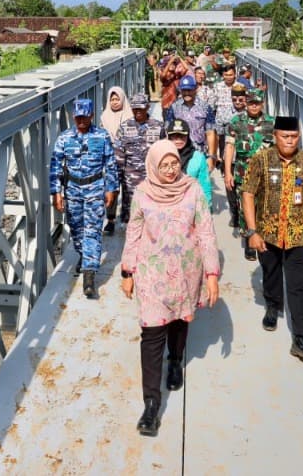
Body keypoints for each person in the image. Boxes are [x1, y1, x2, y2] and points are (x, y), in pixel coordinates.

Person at [120, 140, 221, 436]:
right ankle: (151, 404)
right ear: (153, 165)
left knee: (179, 321)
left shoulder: (192, 190)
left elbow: (205, 231)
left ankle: (175, 360)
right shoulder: (142, 193)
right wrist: (127, 271)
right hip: (151, 274)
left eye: (174, 164)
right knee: (151, 334)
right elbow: (134, 233)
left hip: (186, 272)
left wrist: (212, 274)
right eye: (163, 165)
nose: (169, 170)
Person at [241, 116, 303, 362]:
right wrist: (252, 231)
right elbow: (248, 193)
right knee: (270, 274)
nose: (290, 141)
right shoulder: (261, 160)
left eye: (294, 137)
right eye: (285, 137)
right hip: (267, 232)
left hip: (298, 234)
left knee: (297, 285)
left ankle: (300, 338)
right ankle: (272, 305)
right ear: (275, 136)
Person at [49, 98, 119, 299]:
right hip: (73, 190)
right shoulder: (64, 138)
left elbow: (110, 163)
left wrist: (111, 189)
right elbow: (55, 166)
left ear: (91, 115)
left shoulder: (102, 136)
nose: (81, 120)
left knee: (92, 230)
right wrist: (56, 193)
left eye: (84, 116)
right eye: (78, 117)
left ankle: (89, 275)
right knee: (77, 229)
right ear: (73, 116)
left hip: (95, 188)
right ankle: (84, 254)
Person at [224, 88, 274, 259]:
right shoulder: (236, 122)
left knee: (263, 206)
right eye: (251, 102)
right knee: (245, 208)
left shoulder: (271, 122)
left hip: (265, 173)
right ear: (246, 102)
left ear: (262, 103)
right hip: (242, 171)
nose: (254, 106)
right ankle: (249, 242)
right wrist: (228, 172)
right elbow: (229, 146)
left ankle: (262, 236)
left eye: (257, 103)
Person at [114, 93, 166, 225]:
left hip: (152, 182)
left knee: (152, 219)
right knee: (132, 220)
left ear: (148, 107)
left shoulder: (158, 126)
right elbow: (118, 157)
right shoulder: (124, 127)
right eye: (134, 108)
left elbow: (164, 153)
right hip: (130, 183)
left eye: (141, 108)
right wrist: (116, 184)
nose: (137, 111)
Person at [164, 75, 216, 170]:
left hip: (199, 153)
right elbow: (167, 132)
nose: (187, 93)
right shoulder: (173, 107)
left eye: (189, 90)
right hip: (179, 154)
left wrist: (211, 157)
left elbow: (210, 133)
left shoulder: (206, 108)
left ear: (195, 89)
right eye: (184, 90)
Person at [101, 86, 133, 234]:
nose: (114, 102)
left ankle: (126, 219)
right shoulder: (104, 116)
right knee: (111, 188)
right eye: (112, 99)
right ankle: (111, 220)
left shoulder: (129, 115)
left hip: (128, 158)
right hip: (110, 158)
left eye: (117, 99)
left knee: (128, 188)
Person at [165, 118, 212, 206]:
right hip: (167, 206)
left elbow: (205, 187)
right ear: (168, 137)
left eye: (182, 136)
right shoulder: (161, 156)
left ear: (188, 136)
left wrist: (207, 210)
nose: (178, 140)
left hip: (191, 206)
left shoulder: (198, 157)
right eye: (174, 136)